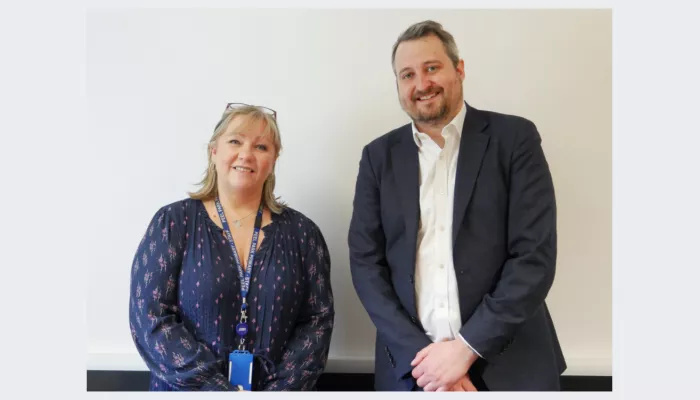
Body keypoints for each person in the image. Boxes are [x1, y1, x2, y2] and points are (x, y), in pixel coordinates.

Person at [348, 20, 566, 391]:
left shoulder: (514, 139)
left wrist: (465, 350)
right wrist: (429, 364)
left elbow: (534, 257)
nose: (421, 84)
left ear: (459, 69)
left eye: (432, 68)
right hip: (412, 372)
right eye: (407, 75)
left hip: (510, 367)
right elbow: (366, 263)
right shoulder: (377, 157)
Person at [128, 103, 335, 391]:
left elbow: (317, 321)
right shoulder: (173, 224)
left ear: (274, 159)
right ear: (214, 151)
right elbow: (149, 318)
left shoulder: (303, 234)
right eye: (235, 141)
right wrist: (216, 391)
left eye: (261, 147)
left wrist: (278, 393)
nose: (246, 154)